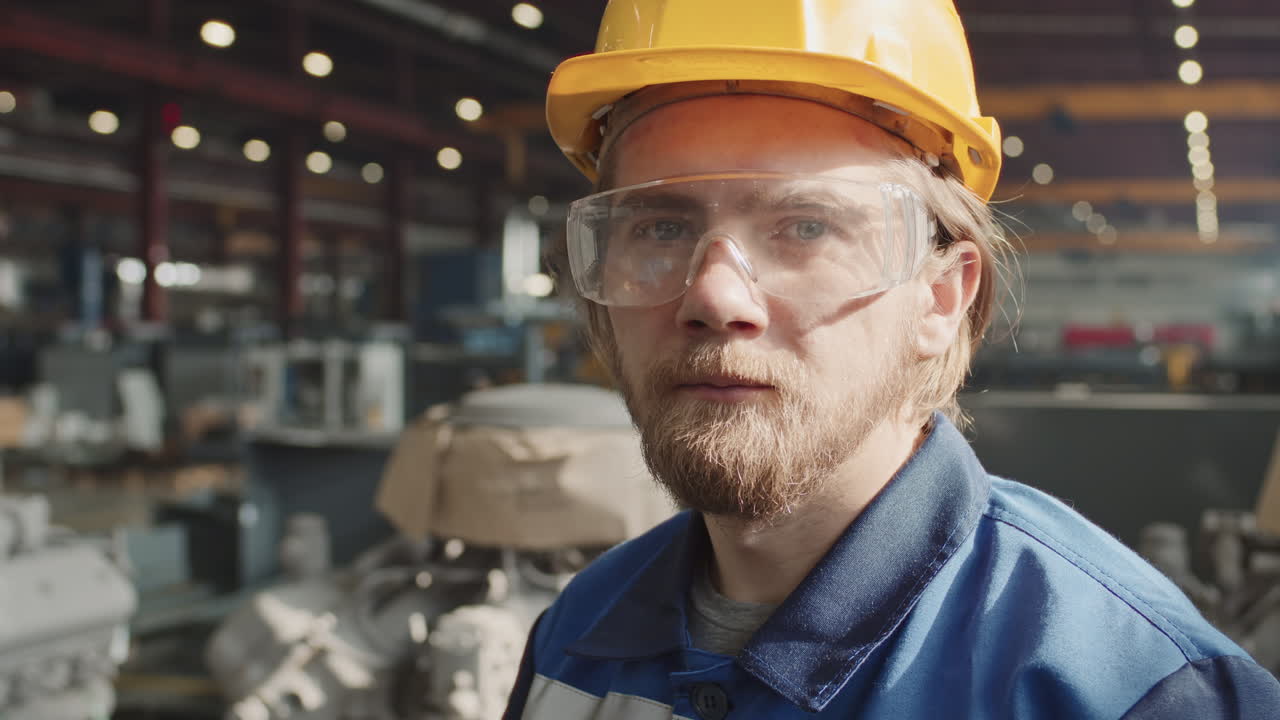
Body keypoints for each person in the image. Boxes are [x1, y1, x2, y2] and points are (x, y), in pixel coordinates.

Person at [504, 0, 1280, 717]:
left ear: (941, 298)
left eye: (806, 228)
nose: (714, 296)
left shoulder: (1129, 689)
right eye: (660, 228)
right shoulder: (573, 640)